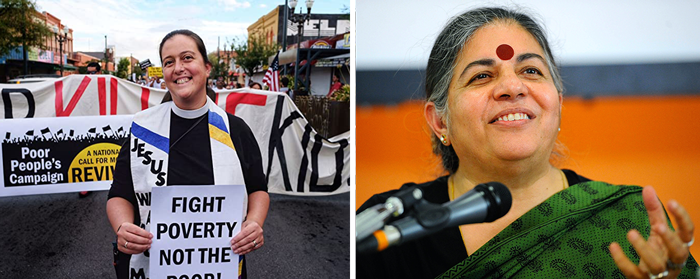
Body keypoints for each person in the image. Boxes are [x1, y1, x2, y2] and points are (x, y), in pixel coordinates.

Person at [356, 7, 697, 279]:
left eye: (531, 71)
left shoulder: (627, 218)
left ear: (558, 105)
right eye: (482, 76)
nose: (513, 87)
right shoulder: (387, 227)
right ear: (440, 120)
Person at [106, 29, 270, 279]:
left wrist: (255, 223)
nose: (178, 68)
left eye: (187, 58)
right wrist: (123, 227)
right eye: (169, 62)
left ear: (207, 67)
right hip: (151, 267)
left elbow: (257, 188)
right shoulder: (142, 130)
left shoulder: (236, 130)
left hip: (221, 268)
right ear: (164, 74)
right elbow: (119, 194)